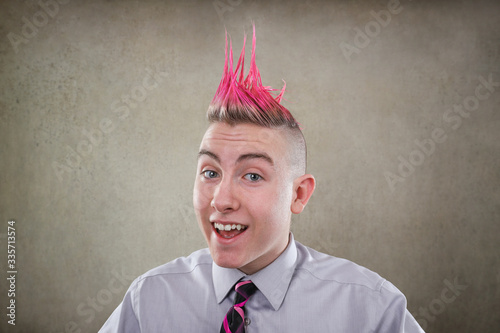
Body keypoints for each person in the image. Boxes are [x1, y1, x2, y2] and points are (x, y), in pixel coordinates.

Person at [99, 25, 424, 332]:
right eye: (210, 172)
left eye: (252, 175)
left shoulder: (371, 309)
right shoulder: (149, 302)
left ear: (299, 194)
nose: (222, 200)